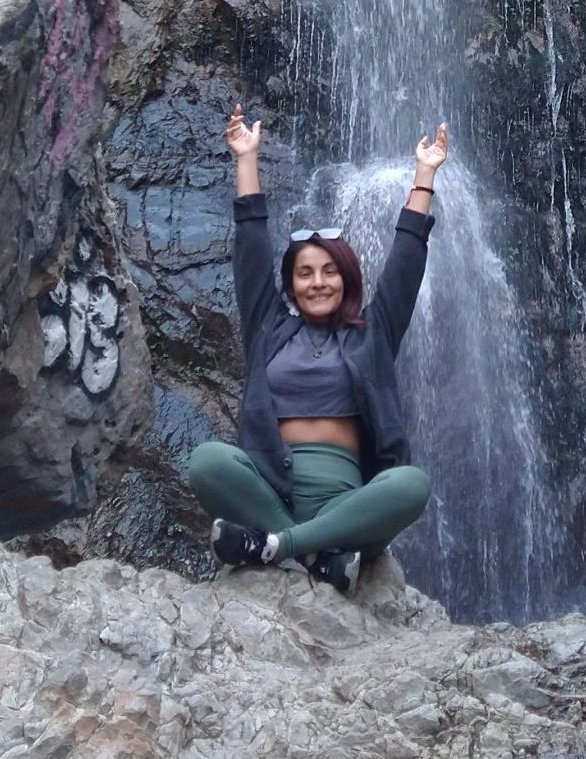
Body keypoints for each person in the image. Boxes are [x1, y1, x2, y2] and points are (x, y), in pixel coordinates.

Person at [184, 104, 443, 597]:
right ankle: (311, 553)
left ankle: (275, 546)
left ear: (346, 279)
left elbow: (406, 268)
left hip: (349, 507)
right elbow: (251, 249)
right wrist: (245, 160)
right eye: (305, 273)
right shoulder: (269, 329)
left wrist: (424, 176)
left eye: (329, 271)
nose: (318, 282)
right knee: (207, 461)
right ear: (290, 284)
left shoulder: (373, 335)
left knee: (411, 484)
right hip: (270, 491)